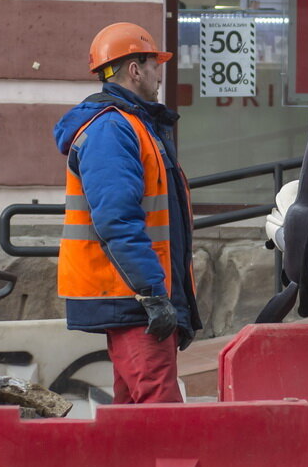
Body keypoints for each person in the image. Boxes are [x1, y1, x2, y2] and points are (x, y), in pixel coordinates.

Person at [55, 22, 200, 404]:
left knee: (132, 416)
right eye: (155, 65)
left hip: (133, 296)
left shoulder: (133, 126)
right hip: (134, 299)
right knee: (160, 415)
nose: (158, 75)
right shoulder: (113, 129)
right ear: (134, 69)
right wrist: (152, 292)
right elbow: (117, 220)